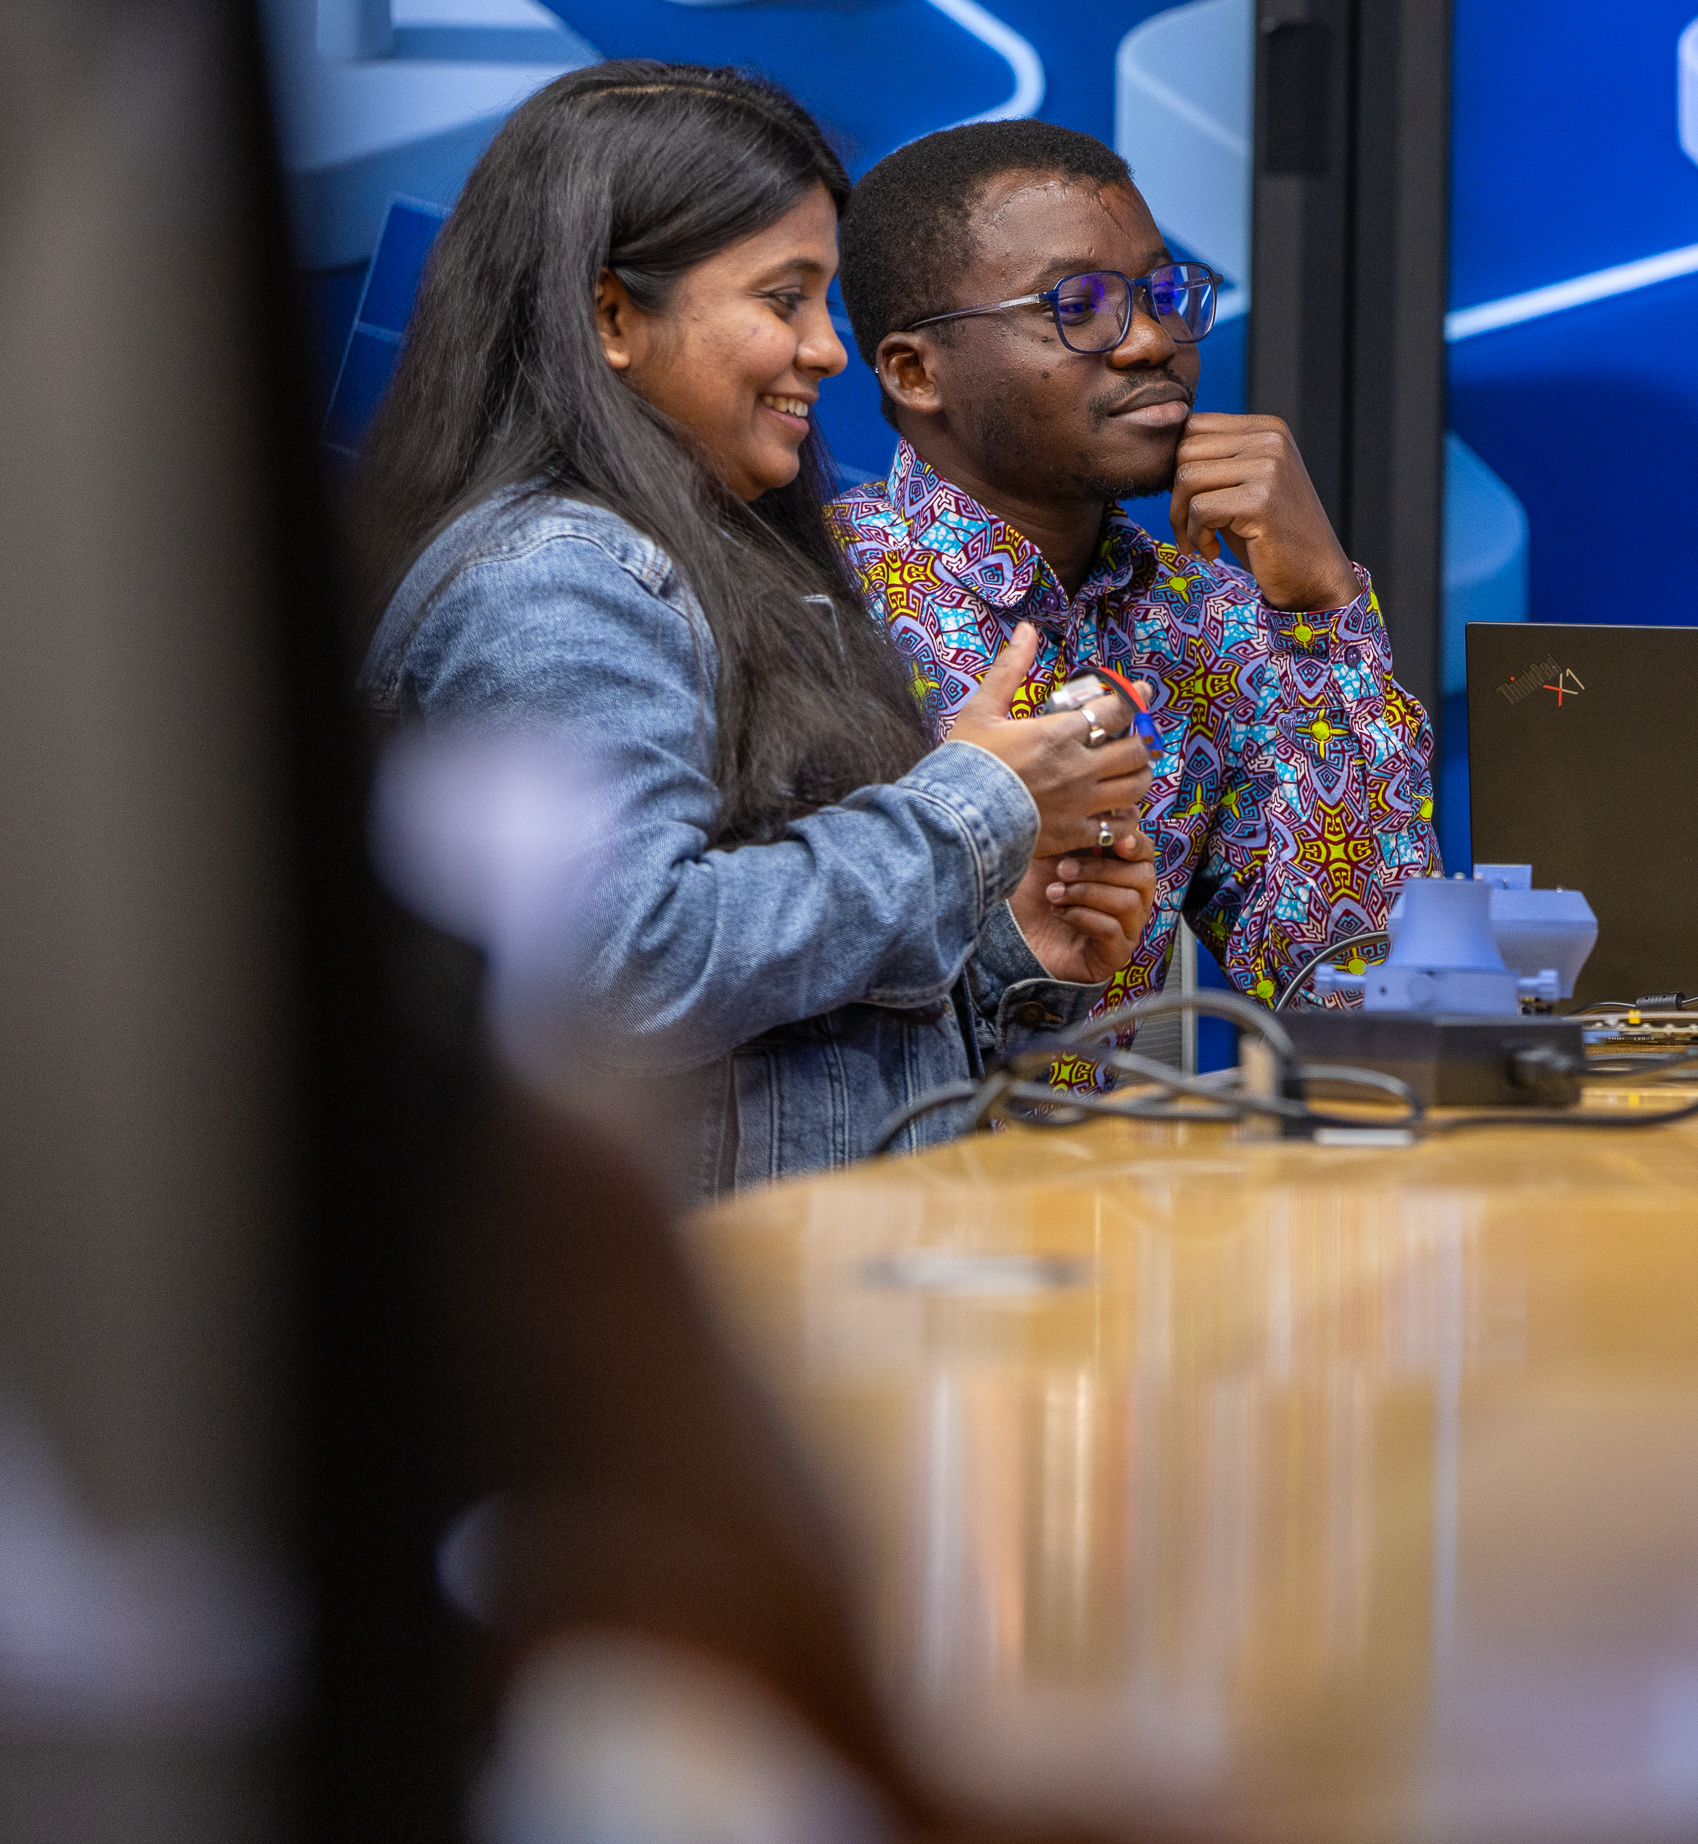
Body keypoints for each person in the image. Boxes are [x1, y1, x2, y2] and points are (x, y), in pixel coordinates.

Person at [356, 62, 1161, 1199]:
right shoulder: (555, 579)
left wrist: (1016, 951)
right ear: (611, 316)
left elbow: (790, 1045)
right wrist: (974, 807)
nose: (828, 348)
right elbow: (620, 966)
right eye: (785, 299)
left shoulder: (711, 565)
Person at [827, 120, 1435, 1008]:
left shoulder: (1211, 620)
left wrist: (1321, 607)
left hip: (1098, 1151)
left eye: (1161, 293)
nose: (1151, 341)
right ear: (916, 372)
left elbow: (1364, 993)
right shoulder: (809, 597)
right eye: (1076, 306)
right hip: (873, 1150)